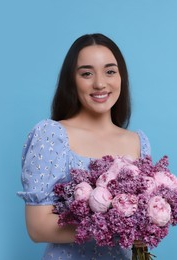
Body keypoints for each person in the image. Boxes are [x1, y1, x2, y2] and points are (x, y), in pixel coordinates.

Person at [18, 33, 151, 259]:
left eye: (110, 71)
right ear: (72, 80)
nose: (100, 83)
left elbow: (141, 235)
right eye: (87, 73)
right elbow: (37, 227)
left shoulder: (138, 141)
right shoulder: (52, 135)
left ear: (121, 77)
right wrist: (113, 227)